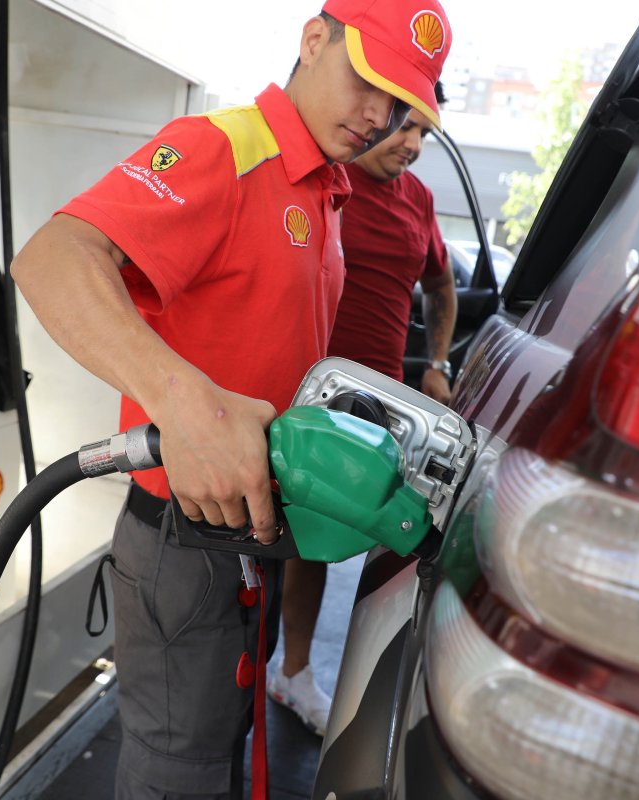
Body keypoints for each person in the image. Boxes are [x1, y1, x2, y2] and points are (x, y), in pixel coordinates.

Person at [10, 0, 453, 798]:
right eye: (369, 83)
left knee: (218, 746)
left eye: (399, 104)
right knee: (180, 770)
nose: (379, 117)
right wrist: (184, 403)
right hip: (184, 542)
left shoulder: (325, 187)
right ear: (313, 41)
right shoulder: (224, 148)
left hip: (249, 535)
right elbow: (51, 258)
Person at [267, 83, 457, 737]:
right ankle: (272, 671)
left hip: (382, 410)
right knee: (278, 540)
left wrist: (438, 362)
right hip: (304, 396)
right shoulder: (327, 176)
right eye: (406, 125)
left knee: (336, 544)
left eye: (425, 132)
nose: (414, 143)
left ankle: (303, 677)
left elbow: (440, 284)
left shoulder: (419, 200)